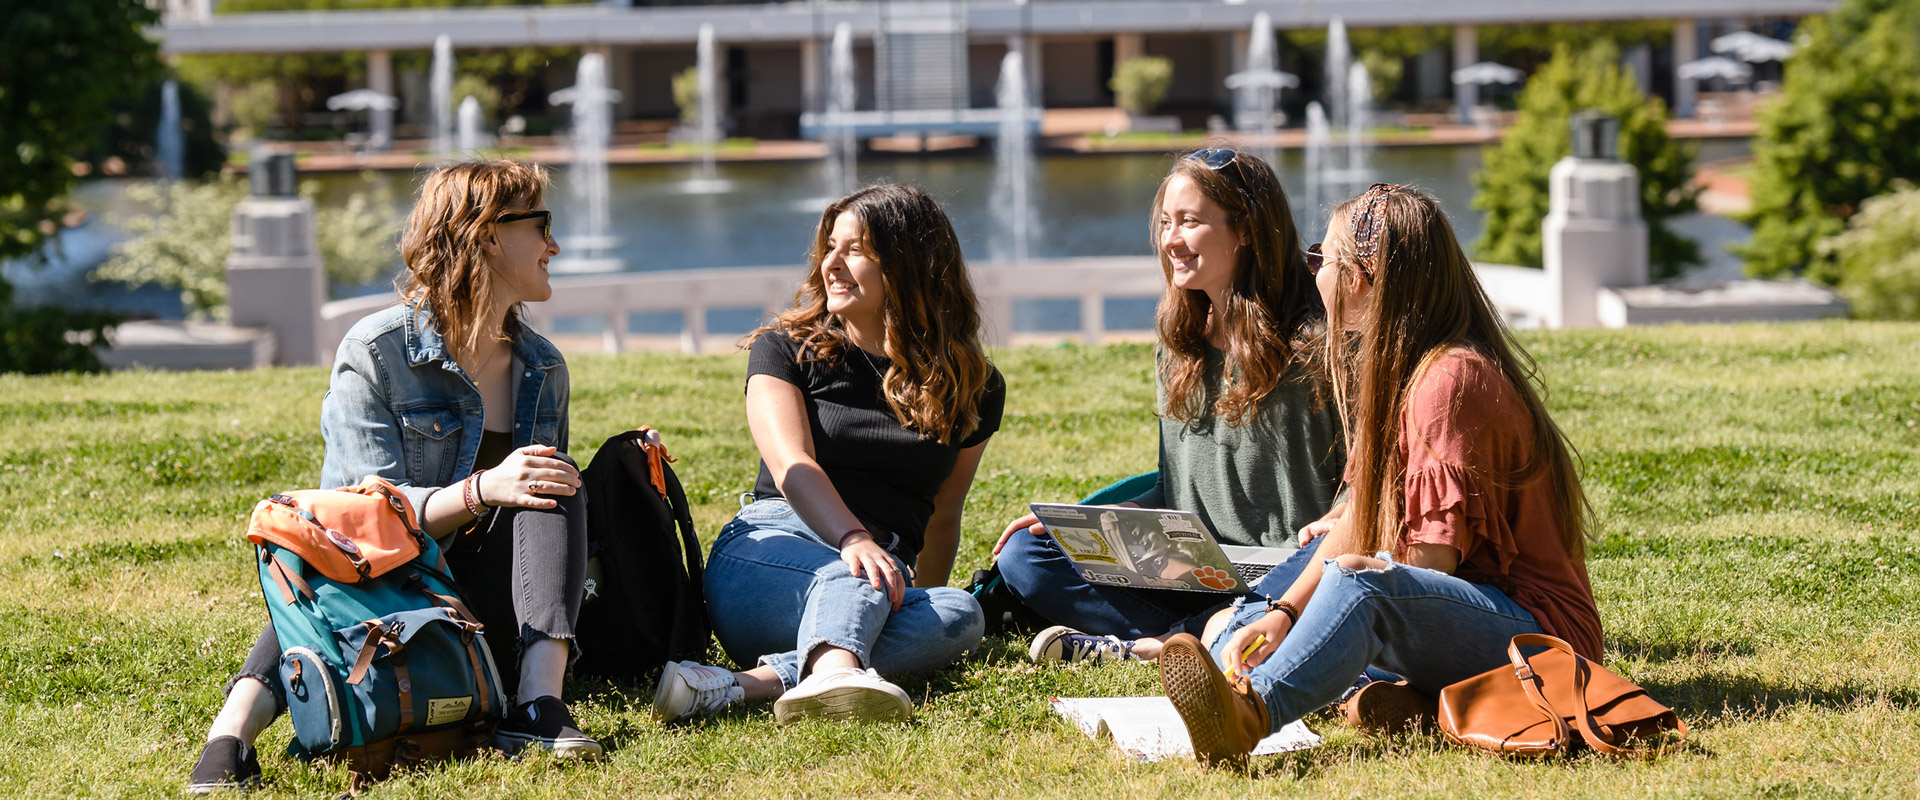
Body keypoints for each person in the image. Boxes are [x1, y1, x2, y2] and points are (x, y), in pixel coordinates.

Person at [1156, 183, 1604, 769]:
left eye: (1324, 260)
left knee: (1359, 588)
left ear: (1363, 278)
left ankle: (1249, 716)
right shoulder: (1403, 371)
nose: (1313, 273)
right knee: (1248, 619)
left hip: (1540, 639)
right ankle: (1399, 701)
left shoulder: (1448, 383)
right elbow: (1359, 518)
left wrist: (1347, 590)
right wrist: (1285, 613)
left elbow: (1427, 566)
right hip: (1470, 618)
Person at [189, 160, 602, 793]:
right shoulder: (377, 350)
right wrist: (479, 490)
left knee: (554, 475)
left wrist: (511, 486)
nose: (554, 243)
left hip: (493, 603)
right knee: (325, 560)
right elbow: (358, 517)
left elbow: (538, 526)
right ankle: (230, 736)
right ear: (488, 235)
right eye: (541, 224)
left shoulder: (543, 366)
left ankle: (539, 706)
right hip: (384, 588)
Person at [649, 184, 1000, 726]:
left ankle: (741, 686)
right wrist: (855, 539)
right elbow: (792, 465)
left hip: (877, 579)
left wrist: (912, 598)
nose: (831, 264)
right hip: (767, 553)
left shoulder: (972, 384)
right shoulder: (784, 348)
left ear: (909, 263)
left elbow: (943, 515)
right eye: (829, 247)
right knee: (857, 572)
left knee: (958, 611)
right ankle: (837, 673)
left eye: (855, 250)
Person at [991, 148, 1345, 664]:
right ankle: (1209, 633)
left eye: (1190, 222)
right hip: (1197, 567)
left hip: (1292, 568)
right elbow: (1174, 488)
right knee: (1027, 555)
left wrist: (1338, 517)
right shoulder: (1179, 344)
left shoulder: (1319, 341)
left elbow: (1367, 479)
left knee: (1330, 573)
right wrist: (1093, 521)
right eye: (1165, 223)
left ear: (1245, 229)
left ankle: (1159, 644)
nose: (1170, 240)